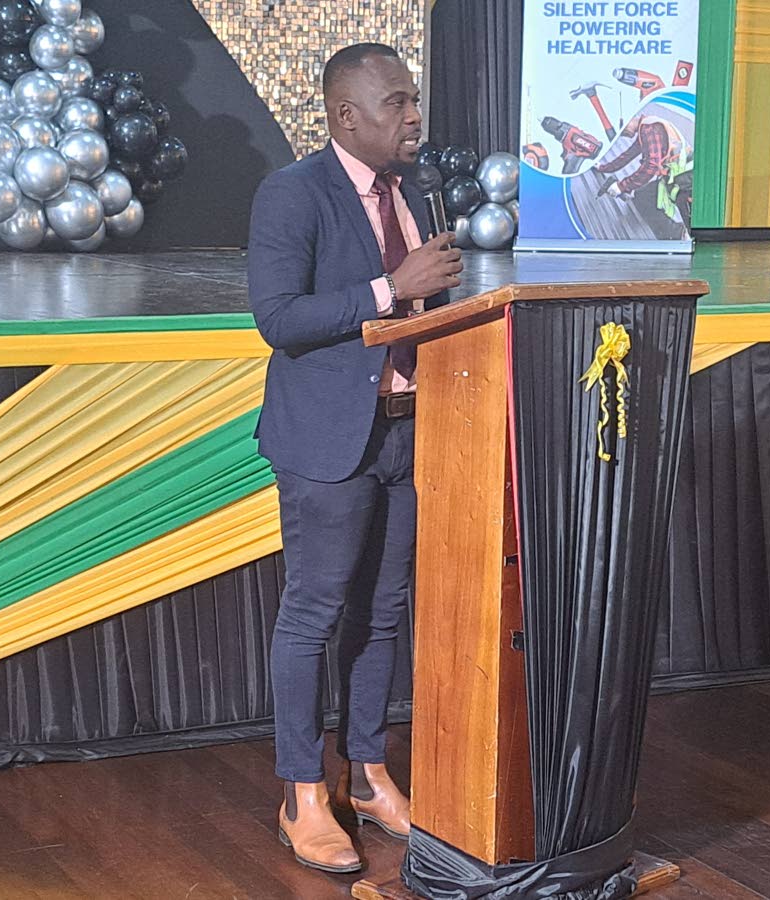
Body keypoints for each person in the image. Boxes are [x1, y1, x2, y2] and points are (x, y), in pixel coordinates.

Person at [246, 43, 463, 873]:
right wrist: (391, 287)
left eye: (414, 102)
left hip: (409, 432)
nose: (415, 118)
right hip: (328, 441)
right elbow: (280, 319)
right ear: (347, 116)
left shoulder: (414, 194)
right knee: (315, 613)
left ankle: (368, 777)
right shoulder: (292, 194)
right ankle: (303, 792)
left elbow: (423, 310)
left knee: (382, 614)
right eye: (398, 103)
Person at [595, 113, 694, 239]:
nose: (622, 136)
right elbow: (628, 154)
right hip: (674, 178)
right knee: (643, 196)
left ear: (627, 121)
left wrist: (621, 186)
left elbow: (651, 166)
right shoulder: (646, 128)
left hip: (686, 182)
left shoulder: (649, 129)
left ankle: (685, 238)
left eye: (622, 132)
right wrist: (603, 167)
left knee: (693, 225)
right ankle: (676, 232)